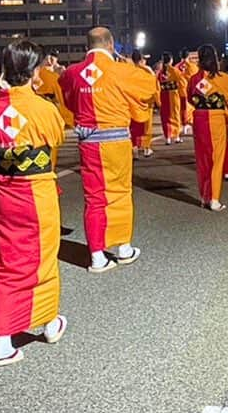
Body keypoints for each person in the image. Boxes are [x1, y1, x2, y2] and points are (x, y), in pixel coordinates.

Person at [0, 39, 67, 367]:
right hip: (37, 190)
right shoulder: (44, 108)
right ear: (33, 71)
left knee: (8, 261)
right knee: (42, 257)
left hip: (5, 192)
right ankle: (47, 321)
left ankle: (3, 340)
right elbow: (57, 136)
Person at [59, 26, 156, 272]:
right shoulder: (122, 70)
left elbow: (67, 97)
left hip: (88, 142)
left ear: (86, 47)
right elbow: (149, 86)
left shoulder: (72, 73)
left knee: (94, 198)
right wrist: (132, 65)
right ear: (111, 44)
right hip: (116, 142)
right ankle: (123, 248)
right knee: (120, 193)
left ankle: (97, 256)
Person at [186, 44, 228, 211]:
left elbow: (189, 98)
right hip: (216, 118)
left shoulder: (194, 79)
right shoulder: (222, 78)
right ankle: (214, 198)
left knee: (202, 159)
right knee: (217, 159)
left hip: (200, 119)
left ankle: (204, 196)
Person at [129, 49, 159, 158]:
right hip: (146, 103)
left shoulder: (129, 70)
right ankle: (146, 148)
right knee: (146, 127)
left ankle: (134, 149)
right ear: (141, 60)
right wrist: (157, 101)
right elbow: (154, 86)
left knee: (133, 127)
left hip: (133, 103)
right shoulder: (148, 70)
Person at [33, 51, 74, 127]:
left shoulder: (27, 78)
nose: (49, 61)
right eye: (47, 59)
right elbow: (61, 101)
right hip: (56, 120)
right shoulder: (53, 77)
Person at [157, 52, 185, 145]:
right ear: (171, 60)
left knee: (165, 116)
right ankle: (176, 136)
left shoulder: (160, 73)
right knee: (175, 115)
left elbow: (157, 85)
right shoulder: (174, 70)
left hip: (163, 95)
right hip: (173, 95)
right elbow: (182, 82)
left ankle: (168, 137)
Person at [175, 48, 198, 134]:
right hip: (189, 91)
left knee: (181, 109)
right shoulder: (192, 66)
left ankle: (183, 124)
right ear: (188, 56)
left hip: (178, 91)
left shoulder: (176, 66)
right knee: (188, 108)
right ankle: (186, 124)